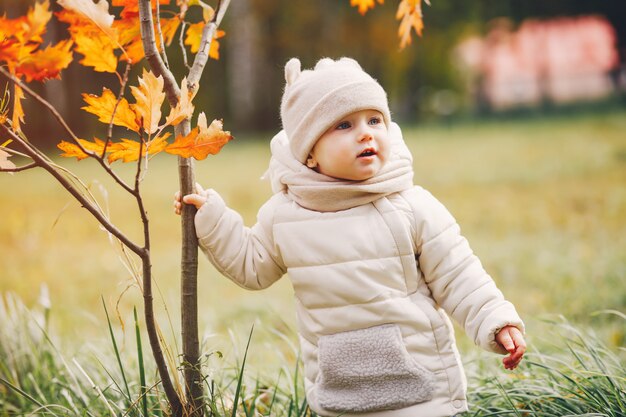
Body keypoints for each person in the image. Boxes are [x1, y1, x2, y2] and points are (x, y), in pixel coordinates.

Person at [174, 57, 526, 417]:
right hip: (340, 391)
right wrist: (213, 219)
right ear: (309, 154)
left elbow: (458, 273)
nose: (365, 133)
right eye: (344, 124)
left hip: (422, 390)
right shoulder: (285, 215)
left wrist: (495, 320)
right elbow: (251, 266)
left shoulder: (410, 205)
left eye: (374, 120)